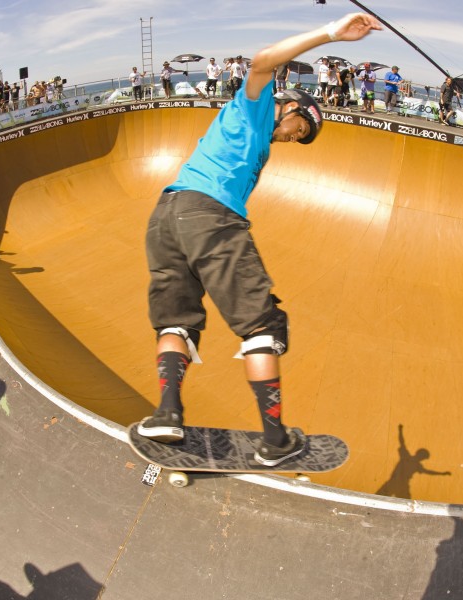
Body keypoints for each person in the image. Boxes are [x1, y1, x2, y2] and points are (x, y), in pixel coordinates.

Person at [136, 12, 382, 466]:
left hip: (166, 216)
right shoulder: (254, 104)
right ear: (287, 106)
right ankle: (275, 440)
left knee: (176, 321)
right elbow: (265, 60)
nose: (292, 138)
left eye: (299, 137)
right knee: (263, 326)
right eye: (298, 128)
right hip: (210, 217)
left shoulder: (258, 140)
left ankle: (167, 413)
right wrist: (333, 32)